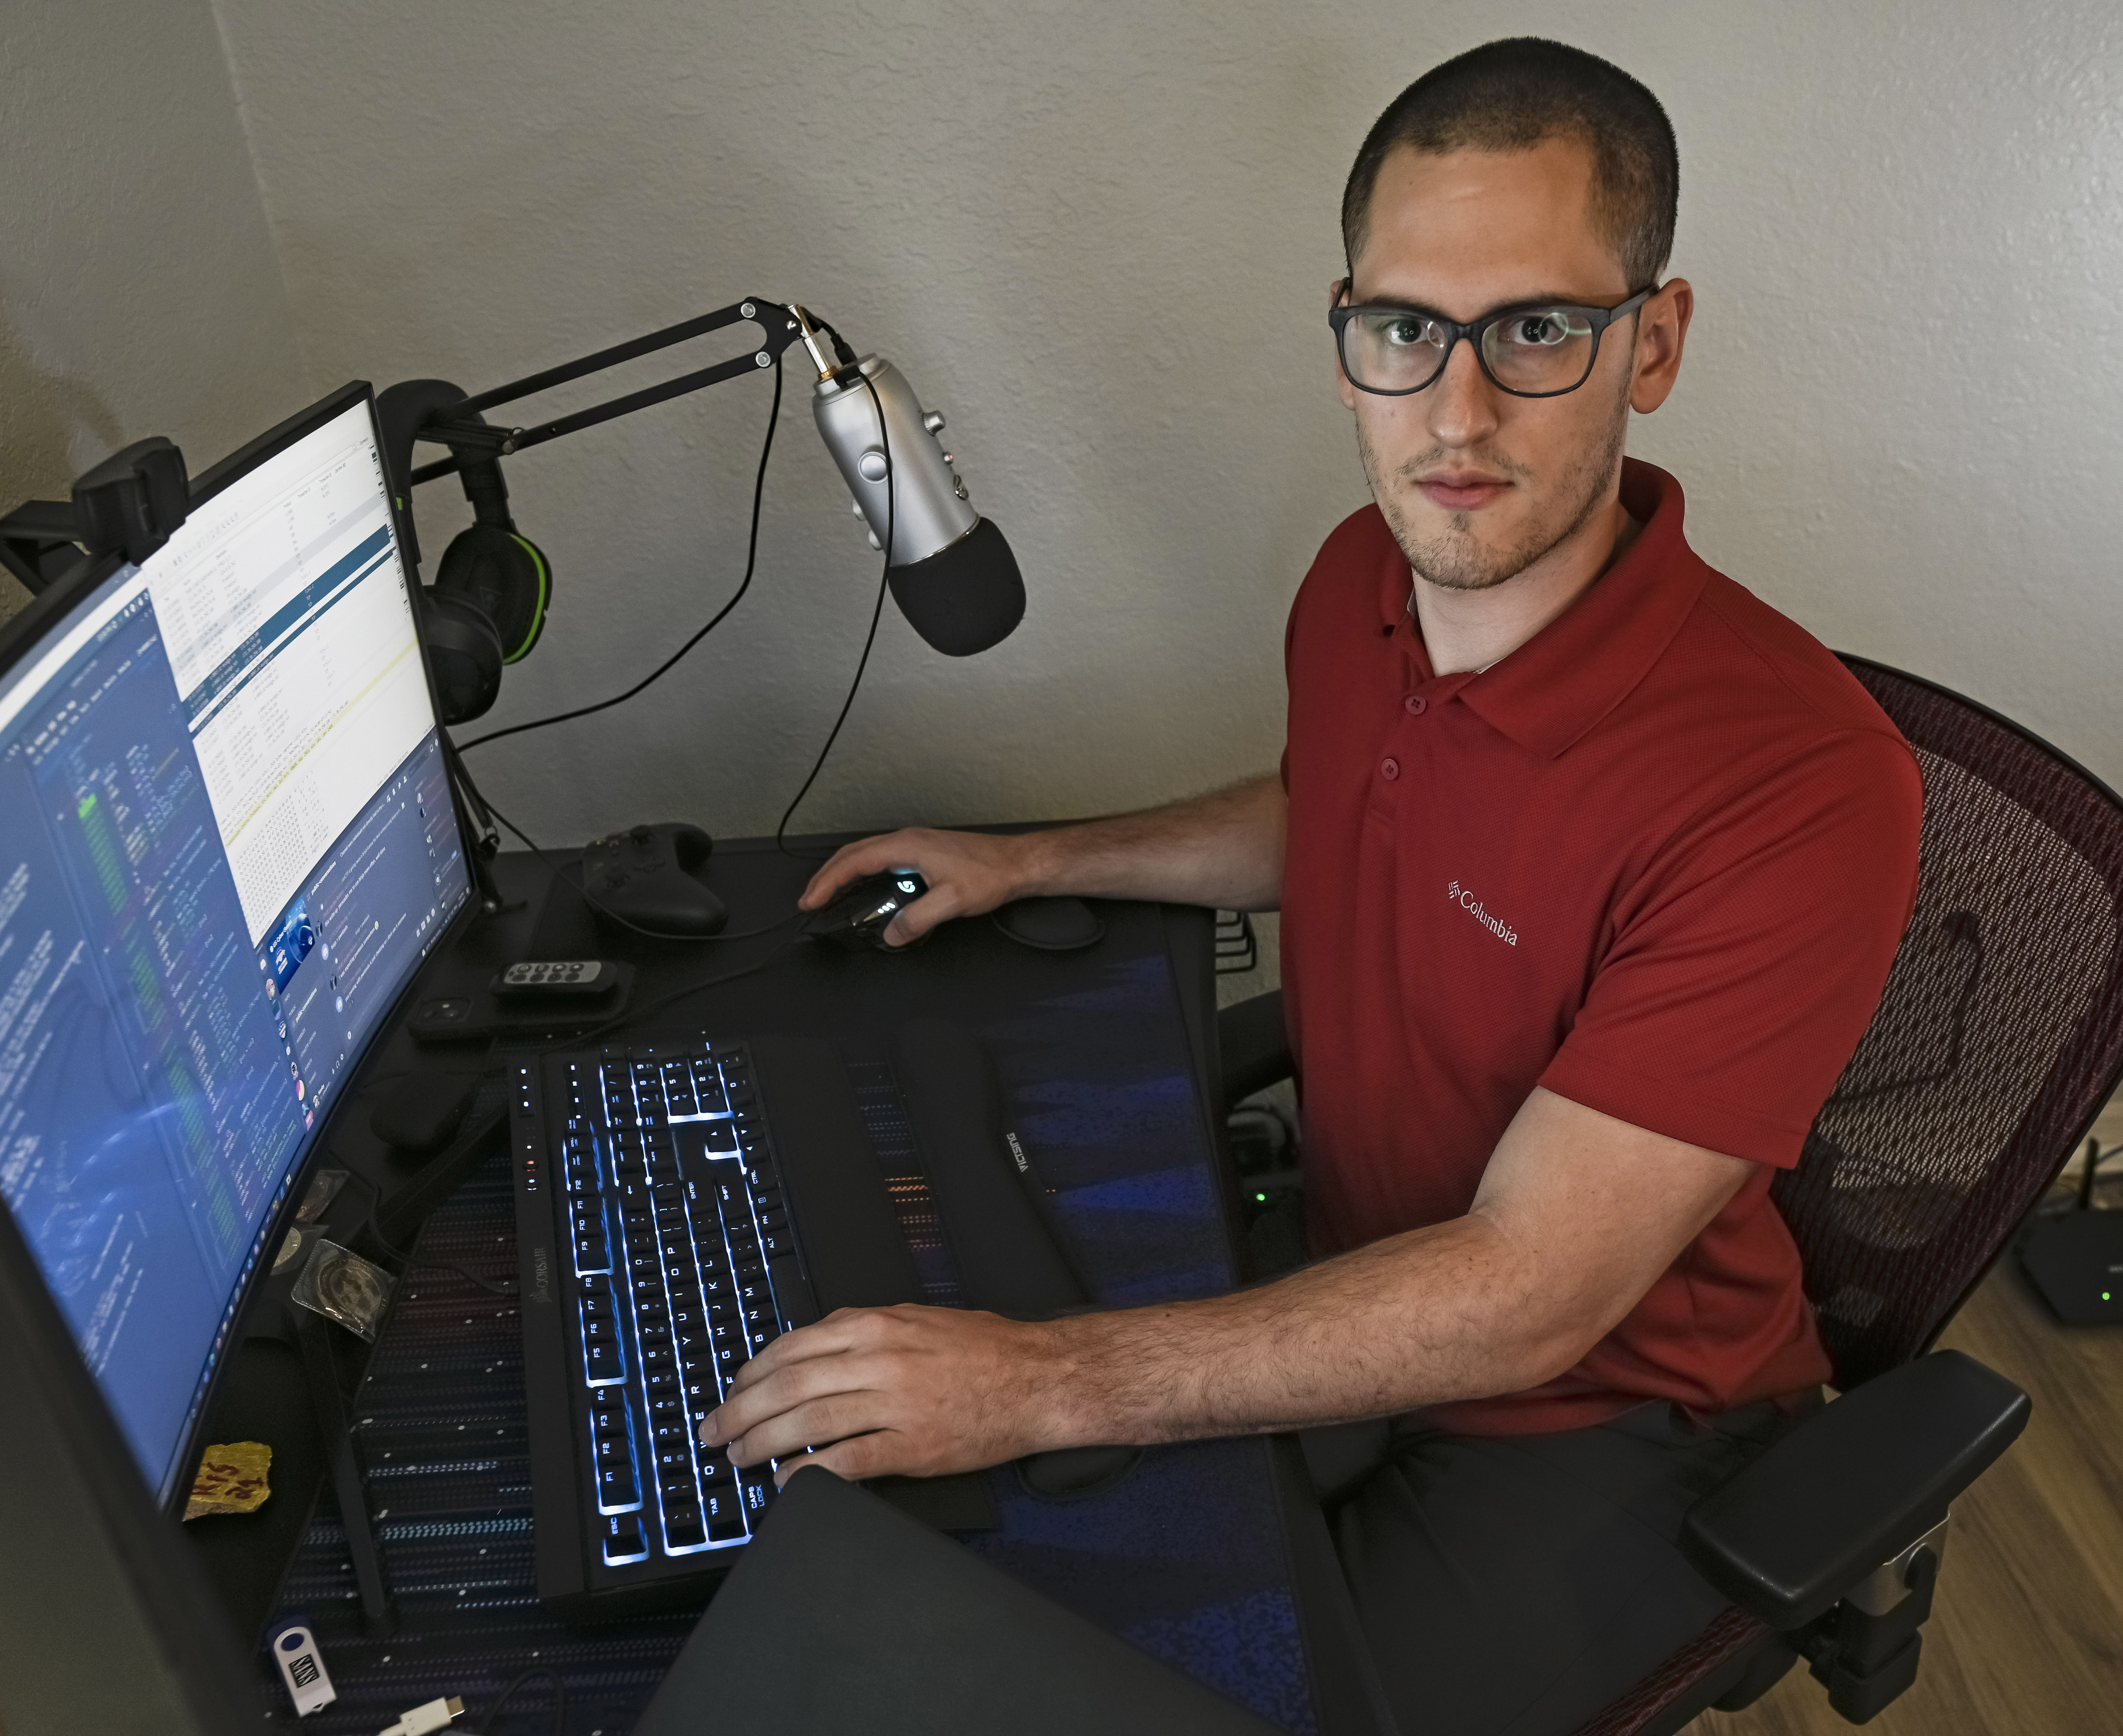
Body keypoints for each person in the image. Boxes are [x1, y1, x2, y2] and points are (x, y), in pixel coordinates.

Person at [700, 36, 1922, 1736]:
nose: (1456, 409)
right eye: (1404, 331)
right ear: (1345, 336)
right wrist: (1034, 861)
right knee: (945, 1589)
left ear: (1652, 341)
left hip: (1612, 1413)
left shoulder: (1795, 786)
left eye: (1538, 330)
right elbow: (1337, 807)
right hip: (1348, 1264)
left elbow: (1529, 1295)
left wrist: (1040, 1385)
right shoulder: (1365, 570)